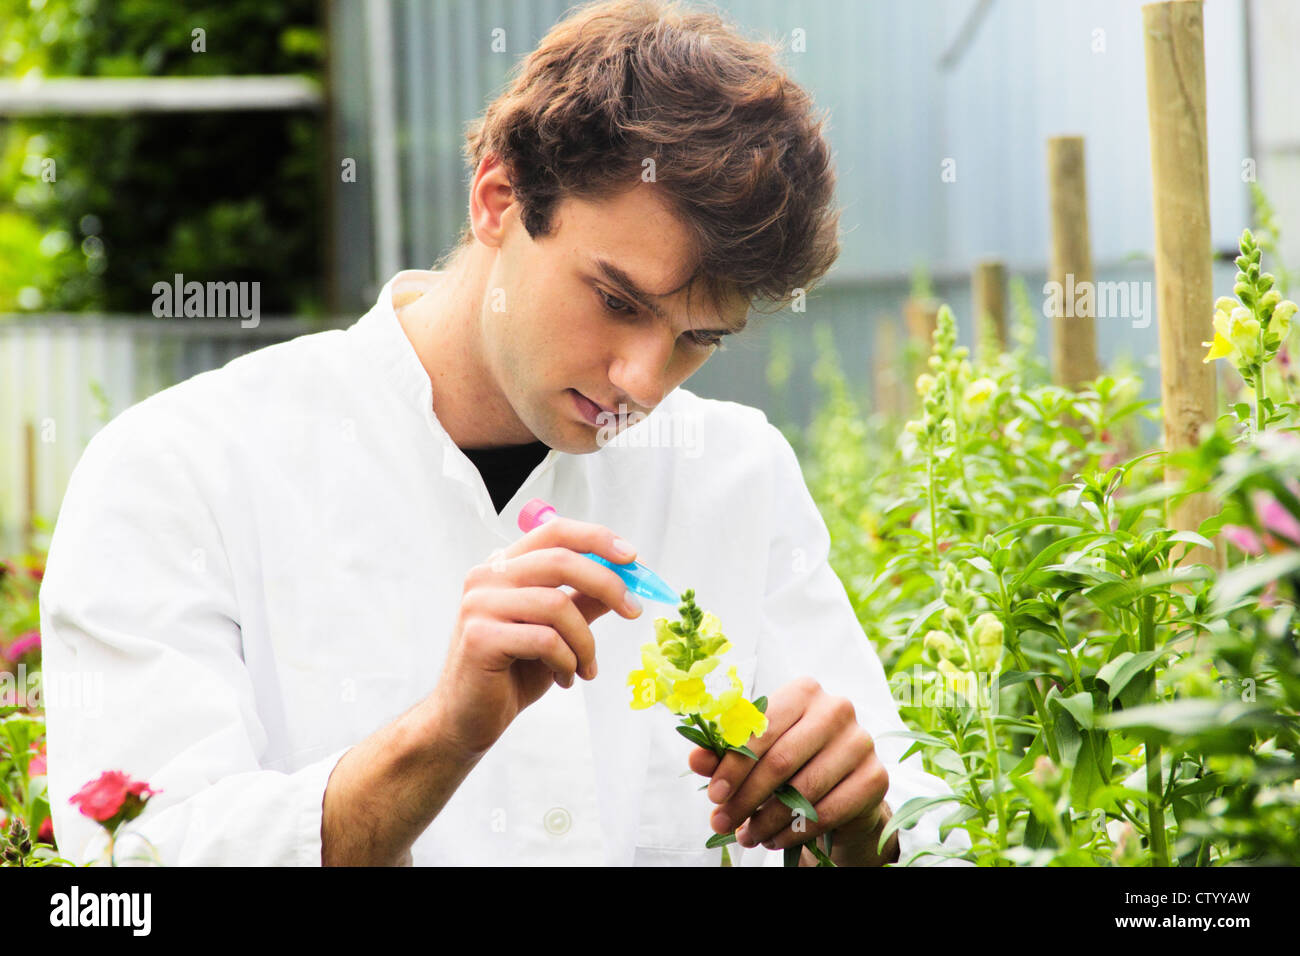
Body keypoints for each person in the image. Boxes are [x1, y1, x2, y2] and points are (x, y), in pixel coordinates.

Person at [39, 0, 967, 866]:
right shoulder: (180, 472)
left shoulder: (735, 473)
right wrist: (439, 737)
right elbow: (133, 870)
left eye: (698, 339)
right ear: (497, 197)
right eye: (616, 300)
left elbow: (923, 830)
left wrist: (860, 827)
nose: (644, 381)